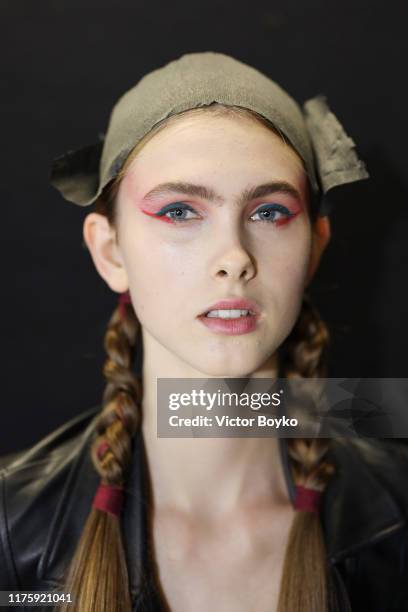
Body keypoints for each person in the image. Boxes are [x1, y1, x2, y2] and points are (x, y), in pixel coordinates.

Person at [1, 52, 407, 612]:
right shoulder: (13, 525)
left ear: (315, 246)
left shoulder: (397, 506)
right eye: (178, 212)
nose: (234, 258)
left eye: (269, 212)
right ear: (110, 250)